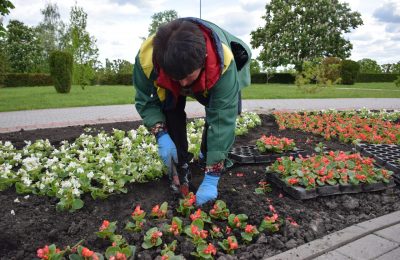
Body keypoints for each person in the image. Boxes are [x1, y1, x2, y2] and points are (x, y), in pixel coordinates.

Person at [133, 17, 251, 205]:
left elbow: (222, 120)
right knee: (169, 108)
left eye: (187, 77)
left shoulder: (225, 64)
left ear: (203, 59)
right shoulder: (146, 59)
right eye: (176, 77)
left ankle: (208, 160)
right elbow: (146, 100)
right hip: (171, 74)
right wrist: (161, 134)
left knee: (218, 118)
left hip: (220, 72)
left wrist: (213, 175)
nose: (183, 84)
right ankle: (181, 168)